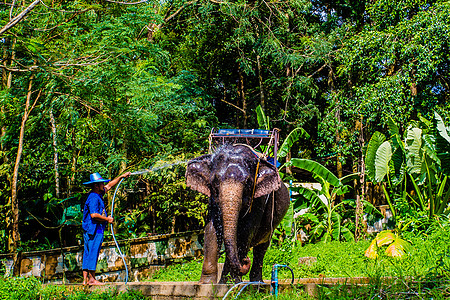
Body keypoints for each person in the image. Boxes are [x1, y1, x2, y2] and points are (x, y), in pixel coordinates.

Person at [81, 171, 130, 285]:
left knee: (87, 253)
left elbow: (109, 186)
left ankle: (85, 280)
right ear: (96, 185)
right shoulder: (94, 197)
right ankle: (92, 279)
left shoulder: (98, 193)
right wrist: (107, 219)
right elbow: (94, 215)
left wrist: (121, 177)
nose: (104, 185)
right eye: (101, 184)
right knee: (93, 252)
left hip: (90, 229)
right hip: (94, 229)